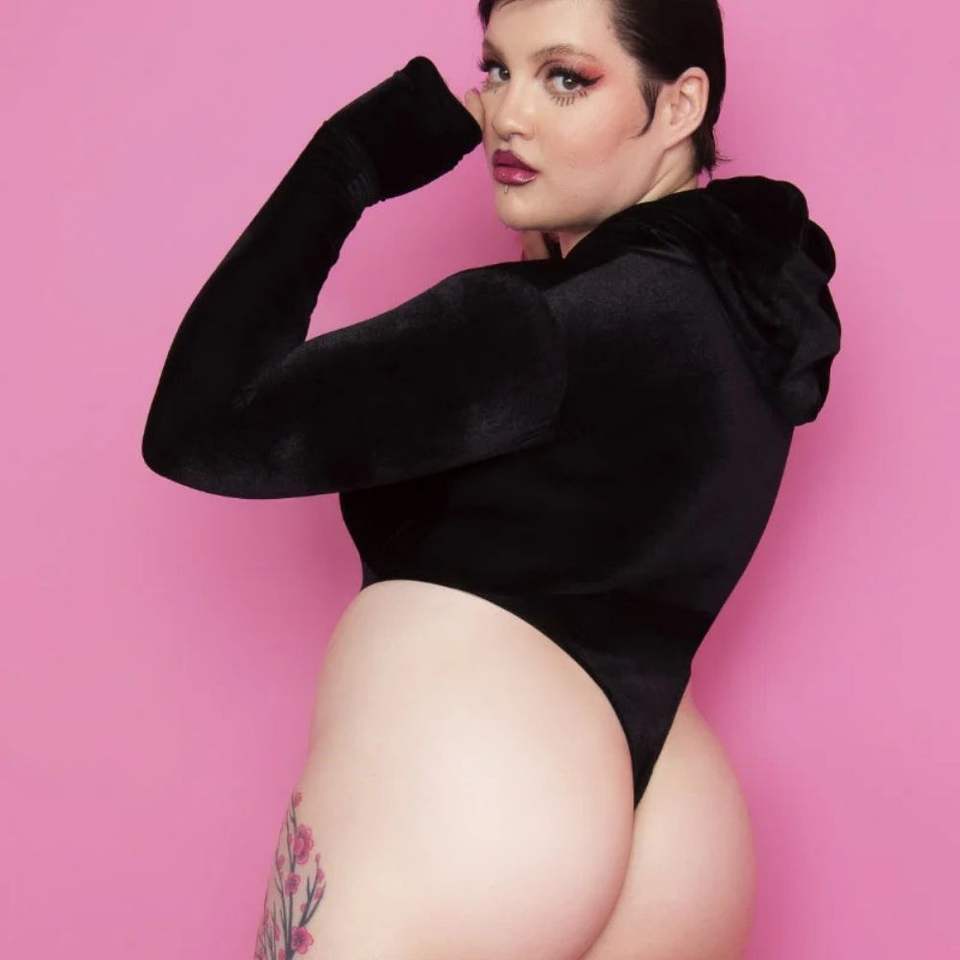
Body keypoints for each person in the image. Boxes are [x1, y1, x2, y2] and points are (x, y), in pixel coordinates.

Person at [141, 1, 841, 957]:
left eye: (566, 78)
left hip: (472, 772)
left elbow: (200, 425)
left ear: (679, 105)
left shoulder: (544, 325)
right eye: (498, 71)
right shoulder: (744, 307)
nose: (507, 116)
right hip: (676, 808)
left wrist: (348, 162)